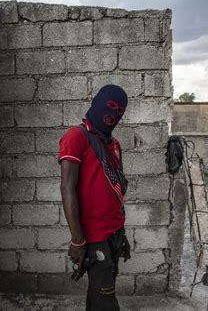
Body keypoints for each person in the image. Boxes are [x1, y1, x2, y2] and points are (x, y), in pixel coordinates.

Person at [58, 84, 130, 311]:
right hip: (93, 236)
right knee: (105, 298)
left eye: (119, 110)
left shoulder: (114, 144)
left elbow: (115, 191)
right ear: (97, 102)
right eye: (109, 106)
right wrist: (78, 240)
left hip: (114, 233)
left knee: (100, 292)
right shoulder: (75, 136)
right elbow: (67, 188)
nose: (113, 114)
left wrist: (122, 233)